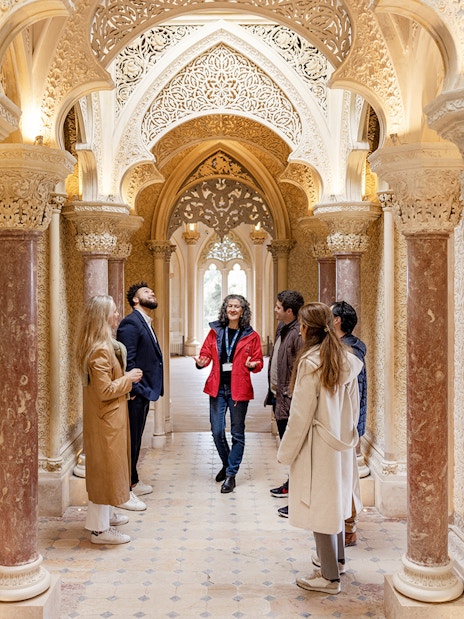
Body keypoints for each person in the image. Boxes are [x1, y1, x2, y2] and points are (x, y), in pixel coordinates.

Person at [277, 302, 363, 594]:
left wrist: (286, 452)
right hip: (339, 442)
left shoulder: (311, 361)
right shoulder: (345, 357)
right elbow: (353, 407)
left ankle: (328, 578)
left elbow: (300, 414)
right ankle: (336, 561)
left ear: (305, 328)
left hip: (318, 444)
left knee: (319, 505)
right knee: (334, 501)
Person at [75, 295, 143, 544]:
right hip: (106, 421)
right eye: (114, 312)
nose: (117, 316)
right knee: (105, 472)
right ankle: (100, 531)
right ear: (103, 317)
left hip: (108, 419)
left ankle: (106, 516)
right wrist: (129, 378)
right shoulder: (101, 351)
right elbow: (104, 391)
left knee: (108, 471)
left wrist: (122, 377)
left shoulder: (101, 346)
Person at [195, 294, 263, 493]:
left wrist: (253, 365)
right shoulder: (216, 332)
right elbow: (206, 353)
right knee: (217, 432)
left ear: (243, 311)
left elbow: (258, 361)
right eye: (229, 306)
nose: (233, 309)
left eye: (237, 306)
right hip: (217, 388)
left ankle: (231, 475)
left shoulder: (252, 335)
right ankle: (227, 464)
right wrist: (201, 362)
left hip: (238, 390)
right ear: (225, 309)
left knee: (237, 434)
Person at [117, 282, 164, 510]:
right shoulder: (130, 323)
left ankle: (133, 480)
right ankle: (124, 489)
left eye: (151, 291)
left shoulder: (145, 321)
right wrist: (134, 391)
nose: (151, 293)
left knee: (136, 440)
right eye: (146, 292)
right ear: (135, 300)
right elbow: (128, 362)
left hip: (144, 392)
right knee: (131, 441)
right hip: (136, 393)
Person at [264, 290, 304, 518]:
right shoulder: (283, 328)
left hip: (290, 400)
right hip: (279, 398)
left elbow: (301, 369)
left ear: (290, 311)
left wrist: (290, 394)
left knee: (295, 451)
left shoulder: (299, 334)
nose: (275, 309)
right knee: (287, 448)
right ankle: (291, 485)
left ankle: (297, 502)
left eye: (278, 307)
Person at [331, 300, 367, 547]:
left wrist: (350, 426)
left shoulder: (348, 353)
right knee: (346, 474)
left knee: (347, 475)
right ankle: (345, 525)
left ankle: (348, 527)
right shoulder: (349, 348)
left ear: (337, 321)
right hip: (347, 423)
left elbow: (352, 394)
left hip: (345, 424)